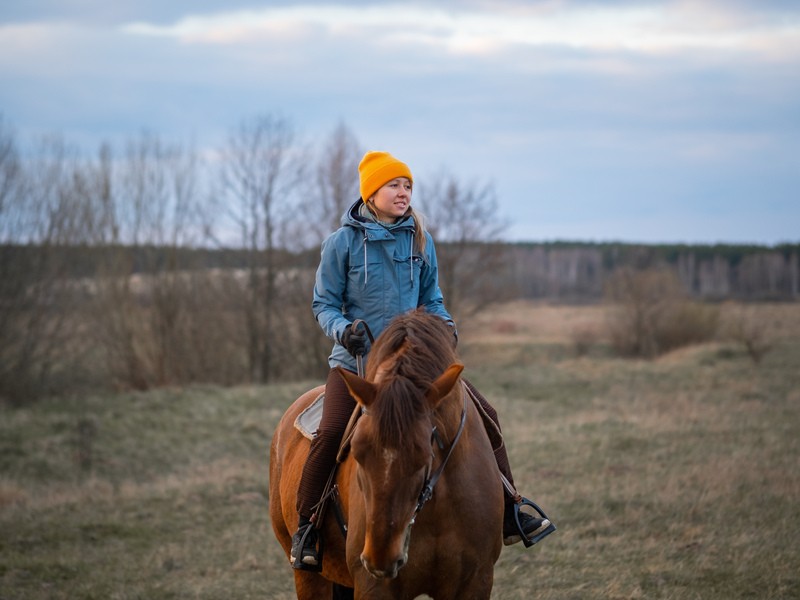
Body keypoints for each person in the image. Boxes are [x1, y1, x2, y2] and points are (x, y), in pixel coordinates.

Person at [291, 150, 551, 570]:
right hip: (358, 363)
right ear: (371, 192)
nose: (403, 192)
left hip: (415, 367)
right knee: (331, 432)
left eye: (408, 185)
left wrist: (445, 327)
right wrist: (345, 329)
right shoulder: (340, 244)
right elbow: (323, 303)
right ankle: (308, 526)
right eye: (394, 184)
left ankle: (512, 508)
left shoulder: (420, 240)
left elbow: (433, 299)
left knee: (486, 414)